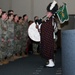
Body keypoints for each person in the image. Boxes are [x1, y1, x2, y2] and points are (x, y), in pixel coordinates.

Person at [39, 1, 58, 67]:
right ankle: (51, 61)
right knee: (48, 48)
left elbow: (49, 28)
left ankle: (51, 62)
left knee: (48, 48)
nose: (47, 13)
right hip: (49, 37)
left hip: (48, 37)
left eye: (48, 12)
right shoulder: (50, 19)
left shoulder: (50, 20)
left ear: (51, 13)